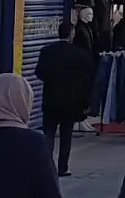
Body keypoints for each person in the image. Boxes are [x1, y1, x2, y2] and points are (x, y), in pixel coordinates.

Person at [35, 20, 93, 177]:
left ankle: (45, 166)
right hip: (70, 102)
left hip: (50, 100)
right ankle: (63, 167)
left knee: (49, 135)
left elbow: (39, 72)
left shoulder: (46, 51)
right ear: (71, 34)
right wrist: (85, 103)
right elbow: (85, 82)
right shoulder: (79, 55)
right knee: (66, 136)